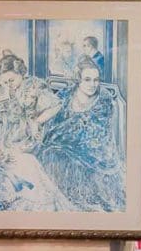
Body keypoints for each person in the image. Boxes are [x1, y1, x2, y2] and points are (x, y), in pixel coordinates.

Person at [0, 51, 70, 212]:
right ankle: (8, 195)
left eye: (11, 80)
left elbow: (56, 105)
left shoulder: (34, 85)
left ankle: (27, 197)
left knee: (16, 160)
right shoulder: (12, 89)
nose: (8, 84)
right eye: (5, 82)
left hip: (29, 136)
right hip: (14, 134)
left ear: (20, 73)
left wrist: (37, 121)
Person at [39, 57, 124, 212]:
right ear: (78, 80)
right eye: (87, 79)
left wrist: (63, 135)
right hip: (63, 143)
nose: (93, 84)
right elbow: (51, 113)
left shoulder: (104, 98)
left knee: (63, 158)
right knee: (48, 153)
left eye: (96, 80)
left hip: (93, 149)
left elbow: (97, 132)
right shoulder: (66, 94)